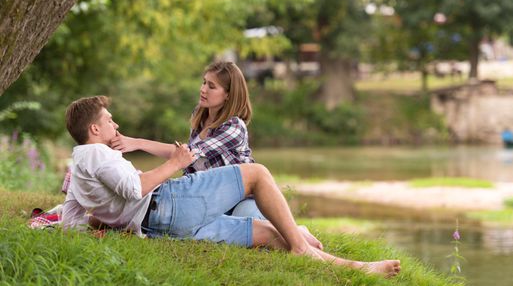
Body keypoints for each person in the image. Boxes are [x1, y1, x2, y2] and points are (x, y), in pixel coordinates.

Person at [62, 95, 401, 278]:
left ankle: (358, 268)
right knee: (256, 172)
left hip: (160, 225)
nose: (115, 123)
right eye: (108, 120)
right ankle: (300, 243)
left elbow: (73, 217)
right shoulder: (99, 155)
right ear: (94, 129)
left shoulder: (79, 162)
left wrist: (96, 222)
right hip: (168, 205)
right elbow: (135, 188)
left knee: (268, 234)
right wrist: (174, 165)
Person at [111, 61, 263, 219]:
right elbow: (185, 157)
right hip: (214, 199)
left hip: (241, 199)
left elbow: (187, 155)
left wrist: (137, 143)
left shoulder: (234, 126)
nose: (203, 89)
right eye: (204, 82)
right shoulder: (200, 115)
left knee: (247, 222)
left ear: (228, 95)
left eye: (211, 86)